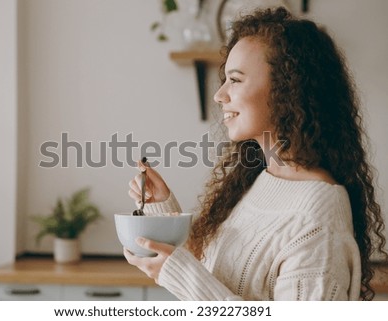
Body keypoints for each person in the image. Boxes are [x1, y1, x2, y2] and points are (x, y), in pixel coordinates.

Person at [126, 7, 387, 301]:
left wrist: (184, 276)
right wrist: (162, 207)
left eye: (235, 80)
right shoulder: (266, 178)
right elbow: (216, 278)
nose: (219, 95)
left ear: (287, 89)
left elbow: (204, 289)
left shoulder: (316, 221)